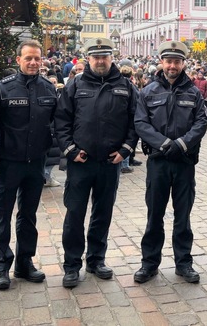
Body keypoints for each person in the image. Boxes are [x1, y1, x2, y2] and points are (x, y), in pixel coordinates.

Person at [55, 38, 138, 288]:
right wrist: (70, 150)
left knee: (102, 214)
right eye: (96, 57)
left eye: (105, 56)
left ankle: (96, 259)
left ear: (111, 58)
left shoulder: (125, 86)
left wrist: (126, 149)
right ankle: (72, 265)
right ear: (88, 59)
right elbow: (62, 119)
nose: (100, 61)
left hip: (109, 163)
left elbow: (136, 121)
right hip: (81, 162)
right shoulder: (76, 84)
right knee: (75, 214)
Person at [132, 41, 207, 284]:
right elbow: (141, 123)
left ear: (183, 63)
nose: (172, 65)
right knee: (155, 214)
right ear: (162, 62)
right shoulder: (148, 91)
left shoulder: (193, 92)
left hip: (184, 162)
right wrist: (165, 144)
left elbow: (200, 122)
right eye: (168, 61)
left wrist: (182, 144)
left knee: (182, 215)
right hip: (158, 161)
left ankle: (183, 263)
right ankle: (149, 263)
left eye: (177, 61)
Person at [0, 40, 58, 290]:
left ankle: (25, 262)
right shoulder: (1, 90)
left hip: (35, 163)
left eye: (37, 58)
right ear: (17, 60)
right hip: (8, 163)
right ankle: (1, 267)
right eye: (28, 58)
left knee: (28, 215)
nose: (33, 62)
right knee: (3, 215)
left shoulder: (49, 89)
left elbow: (56, 124)